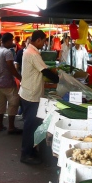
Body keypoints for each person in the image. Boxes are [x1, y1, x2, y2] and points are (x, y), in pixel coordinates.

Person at [19, 30, 59, 165]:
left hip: (27, 92)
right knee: (30, 125)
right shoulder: (33, 53)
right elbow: (45, 71)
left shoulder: (28, 50)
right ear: (38, 40)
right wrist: (58, 79)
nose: (44, 44)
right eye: (43, 41)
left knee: (31, 124)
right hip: (31, 95)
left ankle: (30, 150)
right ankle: (26, 154)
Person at [0, 33, 22, 134]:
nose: (13, 42)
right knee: (13, 103)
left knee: (1, 104)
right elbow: (11, 67)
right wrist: (19, 77)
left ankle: (0, 125)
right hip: (8, 82)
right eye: (12, 40)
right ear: (9, 40)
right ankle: (11, 126)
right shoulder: (8, 52)